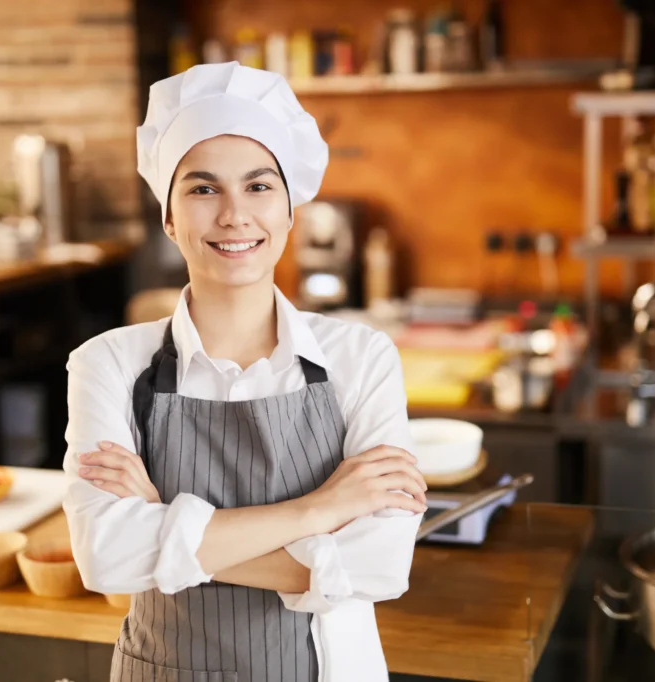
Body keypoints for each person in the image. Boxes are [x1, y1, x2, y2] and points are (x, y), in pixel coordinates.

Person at [62, 61, 427, 682]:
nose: (234, 215)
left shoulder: (360, 357)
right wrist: (320, 511)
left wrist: (163, 521)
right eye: (203, 190)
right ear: (169, 218)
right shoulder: (109, 364)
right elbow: (107, 558)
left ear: (290, 210)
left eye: (258, 186)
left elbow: (380, 567)